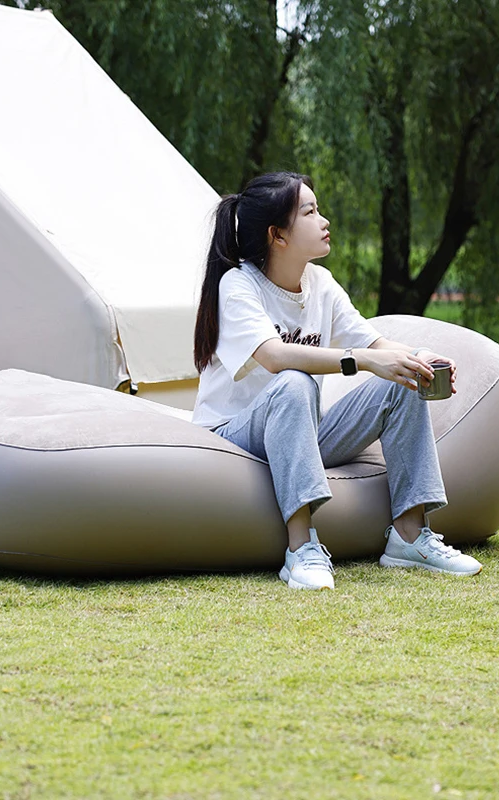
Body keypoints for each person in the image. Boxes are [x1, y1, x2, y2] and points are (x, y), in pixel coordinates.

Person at [192, 171, 482, 589]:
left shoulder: (320, 283)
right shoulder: (238, 285)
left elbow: (373, 341)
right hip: (237, 436)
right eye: (310, 212)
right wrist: (360, 361)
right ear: (278, 235)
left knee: (401, 379)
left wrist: (417, 359)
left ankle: (409, 537)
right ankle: (301, 549)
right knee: (294, 381)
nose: (324, 220)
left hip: (301, 430)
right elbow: (274, 357)